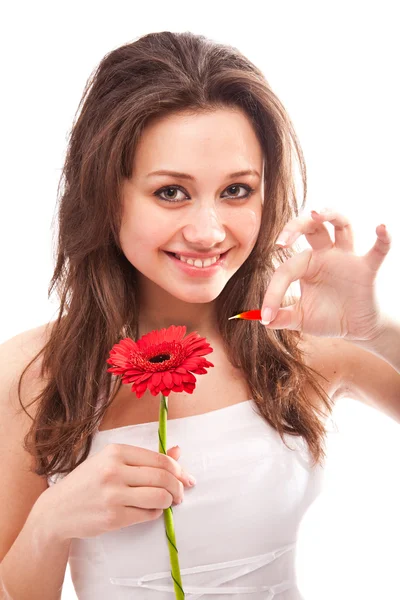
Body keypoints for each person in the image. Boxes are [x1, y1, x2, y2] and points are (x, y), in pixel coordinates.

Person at [0, 31, 399, 600]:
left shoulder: (302, 341)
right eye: (171, 193)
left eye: (237, 190)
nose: (209, 231)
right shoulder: (33, 373)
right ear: (107, 194)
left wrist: (375, 330)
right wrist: (51, 522)